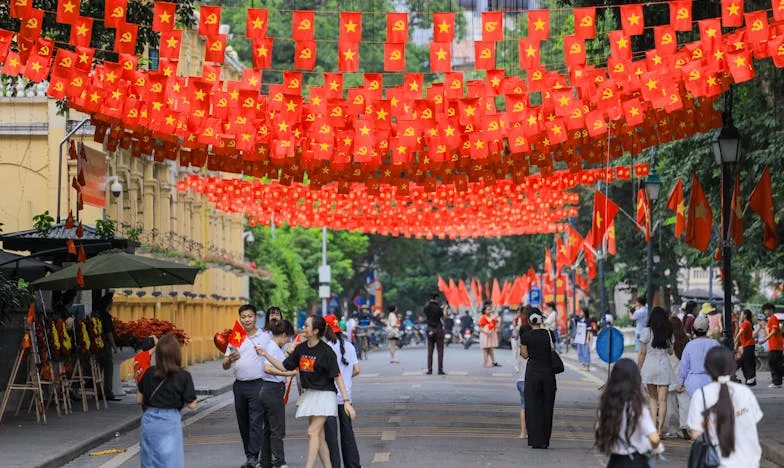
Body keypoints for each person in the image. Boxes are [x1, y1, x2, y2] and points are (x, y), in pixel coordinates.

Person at [262, 315, 355, 468]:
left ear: (315, 331)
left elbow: (337, 376)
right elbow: (284, 367)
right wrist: (266, 355)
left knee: (312, 432)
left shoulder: (326, 351)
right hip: (309, 394)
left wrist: (346, 401)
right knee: (319, 435)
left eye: (306, 326)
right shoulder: (301, 348)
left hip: (325, 395)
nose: (303, 328)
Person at [688, 347, 763, 467]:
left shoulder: (701, 395)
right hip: (748, 461)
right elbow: (752, 421)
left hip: (717, 462)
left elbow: (696, 433)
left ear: (707, 368)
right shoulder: (745, 392)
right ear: (732, 367)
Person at [137, 335, 197, 468]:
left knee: (150, 460)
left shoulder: (149, 373)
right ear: (177, 354)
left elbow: (139, 399)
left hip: (149, 420)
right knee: (170, 460)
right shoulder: (183, 376)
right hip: (170, 420)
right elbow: (192, 404)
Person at [223, 304, 270, 468]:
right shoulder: (235, 337)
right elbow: (225, 365)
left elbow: (273, 356)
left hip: (258, 384)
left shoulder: (265, 337)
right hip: (239, 385)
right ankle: (250, 454)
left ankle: (253, 456)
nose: (247, 319)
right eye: (243, 317)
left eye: (250, 316)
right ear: (240, 319)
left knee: (256, 420)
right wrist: (229, 359)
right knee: (243, 422)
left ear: (255, 317)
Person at [595, 358, 663, 467]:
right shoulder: (637, 407)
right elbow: (654, 437)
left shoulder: (606, 406)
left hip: (615, 461)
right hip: (637, 461)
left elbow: (600, 431)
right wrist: (657, 449)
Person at [257, 320, 297, 468]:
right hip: (272, 389)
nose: (287, 341)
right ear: (284, 335)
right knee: (277, 429)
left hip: (269, 389)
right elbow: (267, 368)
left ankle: (265, 461)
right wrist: (285, 373)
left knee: (268, 428)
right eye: (288, 338)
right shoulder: (272, 347)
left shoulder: (273, 347)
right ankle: (279, 462)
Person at [323, 315, 361, 468]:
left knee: (331, 436)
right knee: (348, 433)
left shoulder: (324, 348)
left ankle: (334, 465)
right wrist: (346, 379)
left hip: (329, 397)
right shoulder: (350, 347)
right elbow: (357, 370)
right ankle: (353, 464)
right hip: (346, 398)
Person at [520, 309, 557, 449]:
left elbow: (524, 355)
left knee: (533, 405)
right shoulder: (549, 334)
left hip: (533, 374)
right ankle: (545, 440)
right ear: (541, 320)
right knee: (547, 406)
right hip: (548, 374)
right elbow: (552, 350)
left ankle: (535, 440)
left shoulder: (526, 336)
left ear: (530, 321)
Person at [637, 306, 676, 436]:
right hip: (664, 366)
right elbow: (670, 353)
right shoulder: (668, 331)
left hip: (649, 366)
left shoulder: (646, 331)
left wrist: (638, 368)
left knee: (653, 399)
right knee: (663, 400)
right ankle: (660, 430)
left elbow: (643, 352)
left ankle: (653, 428)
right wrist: (669, 343)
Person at [677, 314, 721, 414]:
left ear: (693, 329)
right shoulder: (715, 344)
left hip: (693, 382)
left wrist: (681, 383)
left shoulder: (689, 345)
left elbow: (684, 366)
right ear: (708, 328)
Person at [665, 316, 690, 440]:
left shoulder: (668, 342)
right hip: (684, 379)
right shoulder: (686, 341)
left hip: (670, 379)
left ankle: (673, 430)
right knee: (685, 404)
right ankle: (685, 426)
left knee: (671, 407)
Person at [96, 292, 121, 401]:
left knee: (99, 368)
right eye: (111, 302)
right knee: (108, 368)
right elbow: (109, 333)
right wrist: (114, 346)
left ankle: (100, 390)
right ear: (108, 304)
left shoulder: (99, 314)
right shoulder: (105, 316)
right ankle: (108, 392)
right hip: (105, 344)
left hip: (98, 344)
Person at [758, 302, 784, 388]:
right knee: (775, 363)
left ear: (770, 310)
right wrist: (764, 327)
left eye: (765, 310)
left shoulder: (773, 318)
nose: (765, 312)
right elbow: (769, 332)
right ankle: (777, 382)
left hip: (776, 345)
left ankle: (777, 381)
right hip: (773, 345)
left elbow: (774, 331)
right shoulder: (770, 320)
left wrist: (764, 340)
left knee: (773, 363)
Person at [516, 320, 531, 439]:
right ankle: (530, 431)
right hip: (529, 379)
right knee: (533, 406)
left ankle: (522, 432)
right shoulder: (529, 346)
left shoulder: (516, 344)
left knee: (523, 406)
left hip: (519, 380)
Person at [424, 293, 446, 375]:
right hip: (438, 330)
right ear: (436, 298)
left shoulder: (426, 307)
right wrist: (444, 308)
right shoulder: (437, 308)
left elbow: (430, 312)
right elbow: (443, 317)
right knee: (440, 351)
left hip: (429, 329)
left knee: (430, 351)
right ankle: (440, 369)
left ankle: (429, 369)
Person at [734, 309, 757, 386]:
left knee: (746, 362)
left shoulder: (746, 323)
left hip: (748, 345)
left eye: (741, 314)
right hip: (747, 345)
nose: (740, 316)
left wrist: (735, 340)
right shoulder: (747, 323)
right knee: (745, 361)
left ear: (745, 315)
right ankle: (750, 378)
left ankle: (750, 378)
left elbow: (740, 332)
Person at [478, 302, 500, 368]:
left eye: (489, 309)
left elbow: (495, 324)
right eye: (487, 309)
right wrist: (486, 332)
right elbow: (480, 328)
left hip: (491, 334)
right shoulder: (483, 317)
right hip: (485, 335)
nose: (489, 311)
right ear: (484, 310)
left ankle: (492, 362)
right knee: (485, 349)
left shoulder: (492, 316)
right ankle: (485, 363)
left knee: (490, 348)